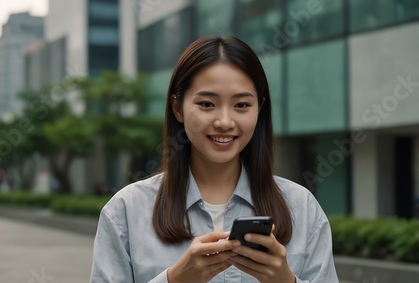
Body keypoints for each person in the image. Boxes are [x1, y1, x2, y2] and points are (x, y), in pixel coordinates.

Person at [90, 35, 339, 283]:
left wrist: (286, 281)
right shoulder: (125, 211)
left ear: (259, 109)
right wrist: (174, 280)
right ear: (177, 108)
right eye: (207, 104)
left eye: (241, 105)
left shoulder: (302, 207)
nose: (224, 122)